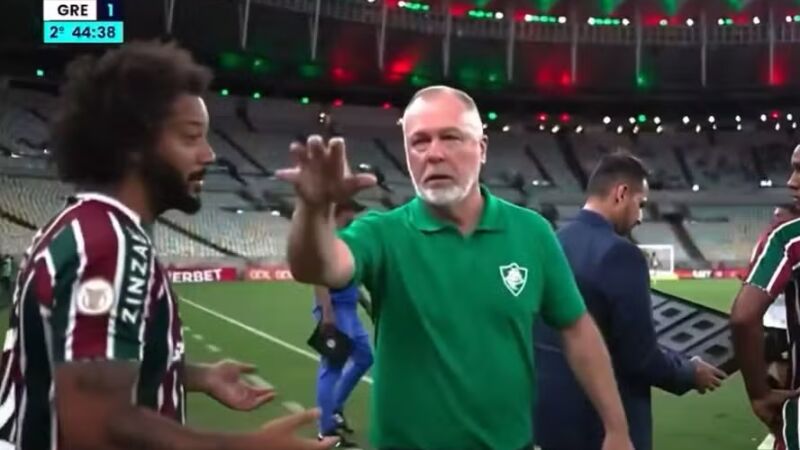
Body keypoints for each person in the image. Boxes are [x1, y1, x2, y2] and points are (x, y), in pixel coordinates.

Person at [0, 41, 336, 450]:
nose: (209, 154)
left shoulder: (80, 225)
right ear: (132, 147)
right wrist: (247, 447)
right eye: (191, 136)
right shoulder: (108, 245)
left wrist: (191, 375)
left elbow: (77, 364)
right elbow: (96, 426)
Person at [278, 85, 634, 450]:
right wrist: (312, 210)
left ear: (481, 149)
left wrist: (617, 428)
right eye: (419, 142)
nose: (434, 154)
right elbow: (317, 266)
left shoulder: (532, 232)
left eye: (450, 138)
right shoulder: (382, 233)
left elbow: (577, 328)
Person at [534, 153, 726, 450]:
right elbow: (638, 357)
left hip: (549, 422)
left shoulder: (552, 242)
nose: (640, 217)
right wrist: (689, 372)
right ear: (622, 193)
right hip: (601, 427)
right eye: (641, 204)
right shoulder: (620, 254)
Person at [732, 150, 800, 450]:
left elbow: (744, 317)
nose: (791, 182)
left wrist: (759, 393)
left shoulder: (789, 237)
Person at [313, 200, 374, 447]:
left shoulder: (346, 238)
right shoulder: (328, 238)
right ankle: (325, 430)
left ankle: (334, 409)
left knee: (365, 358)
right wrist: (327, 314)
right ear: (341, 210)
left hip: (347, 308)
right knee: (332, 367)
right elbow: (318, 278)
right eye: (352, 211)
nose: (355, 215)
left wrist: (366, 304)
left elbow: (350, 278)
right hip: (335, 310)